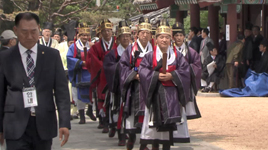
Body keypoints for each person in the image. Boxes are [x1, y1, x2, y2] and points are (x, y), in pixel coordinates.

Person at [0, 12, 70, 150]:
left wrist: (64, 123)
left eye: (33, 31)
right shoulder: (5, 57)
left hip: (43, 122)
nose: (29, 36)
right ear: (16, 31)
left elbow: (62, 92)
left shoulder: (51, 56)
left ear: (39, 29)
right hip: (15, 123)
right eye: (24, 32)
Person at [139, 19, 191, 150]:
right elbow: (143, 71)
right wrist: (156, 76)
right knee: (155, 126)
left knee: (169, 128)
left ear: (170, 39)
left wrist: (172, 75)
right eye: (161, 37)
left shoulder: (178, 56)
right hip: (156, 92)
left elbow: (185, 71)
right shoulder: (149, 56)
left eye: (167, 37)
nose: (164, 40)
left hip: (172, 95)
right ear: (156, 39)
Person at [119, 16, 153, 150]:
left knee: (148, 116)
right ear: (137, 34)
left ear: (151, 35)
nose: (145, 35)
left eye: (148, 33)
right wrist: (134, 75)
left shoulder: (154, 49)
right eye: (142, 32)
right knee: (133, 118)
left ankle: (144, 144)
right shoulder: (130, 50)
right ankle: (131, 140)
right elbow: (122, 66)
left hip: (150, 87)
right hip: (134, 88)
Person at [103, 20, 131, 146]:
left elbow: (138, 67)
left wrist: (134, 71)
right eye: (123, 36)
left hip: (132, 87)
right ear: (118, 39)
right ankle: (121, 134)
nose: (125, 38)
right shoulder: (112, 54)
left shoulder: (135, 52)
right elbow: (108, 68)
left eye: (128, 36)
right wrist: (121, 67)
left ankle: (130, 134)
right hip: (118, 88)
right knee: (118, 111)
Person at [86, 19, 117, 133]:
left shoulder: (117, 44)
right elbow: (92, 59)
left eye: (109, 31)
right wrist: (103, 67)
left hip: (115, 74)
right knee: (102, 98)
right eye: (105, 31)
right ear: (101, 33)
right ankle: (104, 121)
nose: (107, 33)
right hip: (102, 75)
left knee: (115, 98)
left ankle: (113, 121)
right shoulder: (96, 46)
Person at [172, 22, 202, 120]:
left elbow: (197, 66)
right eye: (176, 35)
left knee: (184, 110)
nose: (179, 38)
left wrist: (186, 69)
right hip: (172, 82)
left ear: (184, 37)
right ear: (173, 37)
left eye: (181, 35)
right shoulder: (169, 51)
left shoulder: (191, 52)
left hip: (186, 83)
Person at [67, 23, 96, 124]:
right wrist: (80, 62)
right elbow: (69, 58)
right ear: (79, 36)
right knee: (79, 94)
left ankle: (90, 110)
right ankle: (82, 116)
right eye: (83, 35)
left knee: (92, 93)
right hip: (79, 73)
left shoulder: (92, 46)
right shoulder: (74, 47)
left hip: (90, 72)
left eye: (87, 35)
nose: (85, 37)